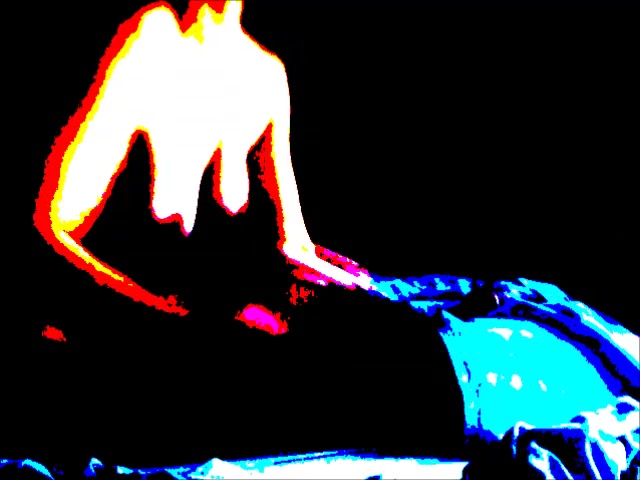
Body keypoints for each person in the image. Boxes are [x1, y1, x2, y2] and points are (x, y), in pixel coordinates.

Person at [28, 0, 464, 473]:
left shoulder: (264, 75)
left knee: (416, 355)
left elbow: (292, 246)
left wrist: (372, 296)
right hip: (134, 356)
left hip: (217, 350)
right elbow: (47, 233)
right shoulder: (150, 42)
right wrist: (174, 329)